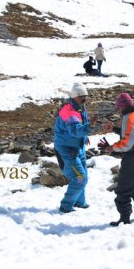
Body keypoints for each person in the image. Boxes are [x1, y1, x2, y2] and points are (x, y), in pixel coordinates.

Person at [99, 92, 134, 226]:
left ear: (122, 106)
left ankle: (124, 219)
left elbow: (129, 142)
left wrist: (112, 148)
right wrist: (115, 129)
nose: (118, 109)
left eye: (118, 107)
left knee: (124, 188)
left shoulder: (130, 117)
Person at [54, 83, 93, 213]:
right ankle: (66, 206)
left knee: (84, 177)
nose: (84, 99)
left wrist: (84, 136)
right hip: (67, 150)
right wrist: (88, 127)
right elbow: (75, 130)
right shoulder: (69, 111)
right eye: (82, 96)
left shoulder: (80, 108)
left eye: (85, 96)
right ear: (75, 96)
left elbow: (79, 127)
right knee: (79, 178)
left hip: (78, 147)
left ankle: (79, 202)